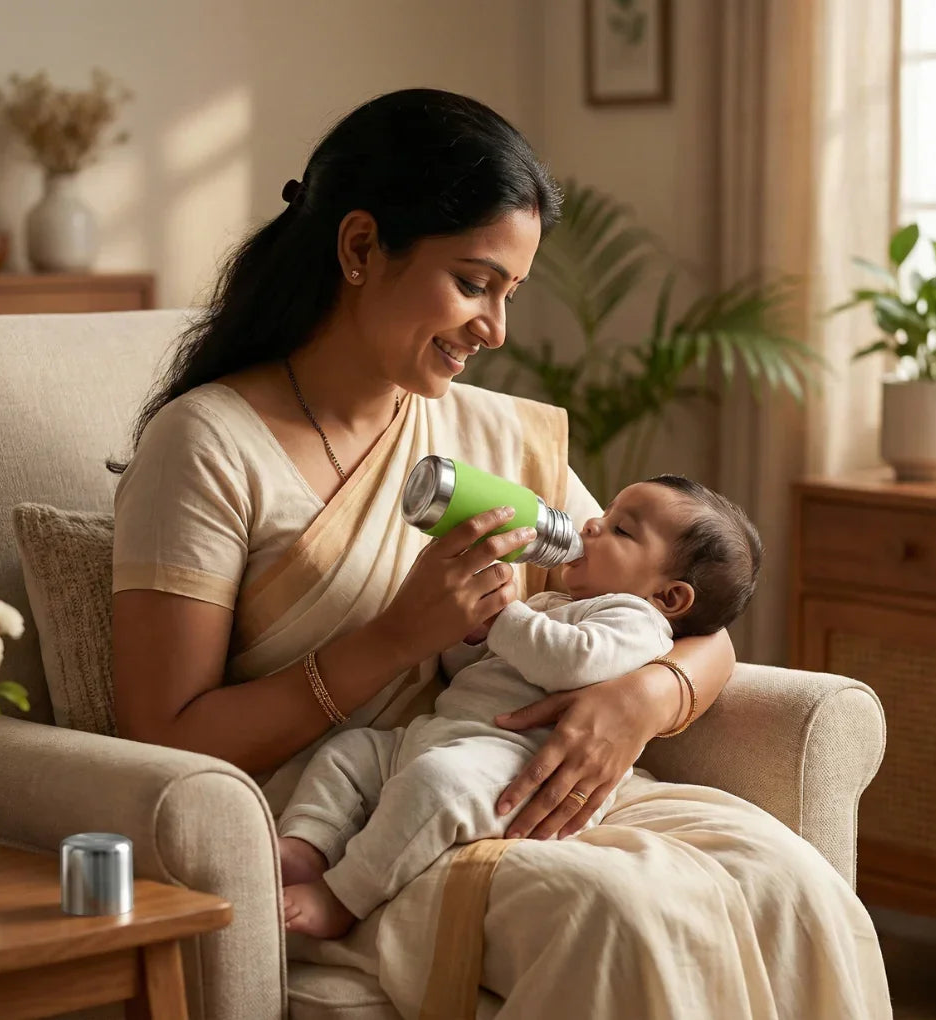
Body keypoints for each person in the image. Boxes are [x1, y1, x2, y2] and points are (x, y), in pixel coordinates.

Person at [110, 88, 891, 1018]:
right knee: (617, 917)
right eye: (474, 283)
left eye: (509, 293)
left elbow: (687, 616)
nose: (497, 329)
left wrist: (638, 700)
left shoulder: (489, 438)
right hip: (345, 824)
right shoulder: (207, 445)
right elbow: (161, 742)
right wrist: (399, 636)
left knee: (789, 880)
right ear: (360, 248)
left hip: (507, 783)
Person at [277, 475, 762, 938]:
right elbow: (474, 666)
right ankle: (308, 844)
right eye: (606, 510)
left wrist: (504, 615)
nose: (591, 522)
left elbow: (567, 661)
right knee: (349, 753)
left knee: (436, 788)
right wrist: (469, 635)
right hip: (442, 735)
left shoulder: (637, 623)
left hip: (512, 765)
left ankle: (342, 897)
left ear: (669, 596)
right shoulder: (553, 601)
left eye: (621, 529)